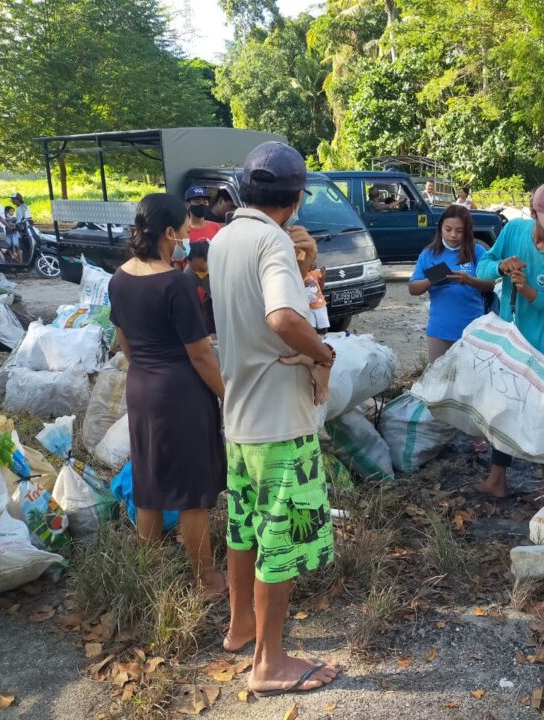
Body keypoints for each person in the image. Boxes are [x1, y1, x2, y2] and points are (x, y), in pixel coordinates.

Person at [208, 141, 340, 697]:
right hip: (279, 421)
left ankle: (240, 628)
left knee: (244, 530)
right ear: (298, 196)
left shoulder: (225, 239)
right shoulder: (271, 240)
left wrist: (302, 263)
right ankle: (271, 662)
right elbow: (284, 316)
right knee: (279, 540)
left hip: (239, 417)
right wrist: (323, 355)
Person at [107, 193, 227, 597]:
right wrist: (227, 395)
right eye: (187, 226)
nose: (192, 232)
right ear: (170, 232)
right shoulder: (176, 283)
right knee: (193, 490)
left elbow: (123, 341)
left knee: (150, 481)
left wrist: (148, 365)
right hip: (180, 394)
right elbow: (200, 353)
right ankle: (206, 579)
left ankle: (148, 570)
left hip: (140, 387)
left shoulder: (118, 278)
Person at [473, 182, 544, 499]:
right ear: (534, 212)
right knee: (502, 409)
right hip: (511, 341)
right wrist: (499, 266)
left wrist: (528, 290)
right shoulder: (515, 232)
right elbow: (483, 267)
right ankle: (497, 480)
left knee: (543, 416)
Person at [409, 204, 495, 362]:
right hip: (440, 330)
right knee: (439, 379)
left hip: (472, 330)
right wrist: (433, 278)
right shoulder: (429, 254)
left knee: (470, 379)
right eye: (448, 229)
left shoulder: (477, 251)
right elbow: (413, 288)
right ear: (440, 227)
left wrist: (469, 280)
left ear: (467, 231)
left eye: (459, 230)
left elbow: (490, 284)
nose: (453, 235)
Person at [184, 241, 215, 336]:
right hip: (212, 299)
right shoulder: (190, 271)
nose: (198, 272)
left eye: (201, 269)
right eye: (195, 270)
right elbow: (187, 297)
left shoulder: (222, 264)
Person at [304, 265, 330, 335]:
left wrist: (323, 276)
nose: (315, 265)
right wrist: (305, 284)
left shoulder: (315, 273)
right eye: (312, 263)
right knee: (311, 329)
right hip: (308, 307)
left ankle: (323, 340)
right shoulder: (300, 274)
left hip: (320, 305)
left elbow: (321, 287)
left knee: (323, 328)